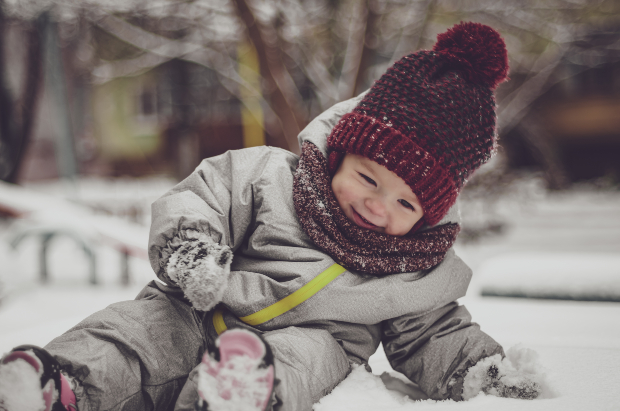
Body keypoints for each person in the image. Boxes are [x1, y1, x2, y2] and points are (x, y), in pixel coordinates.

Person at [0, 22, 541, 411]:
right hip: (195, 309)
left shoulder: (412, 270)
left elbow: (433, 334)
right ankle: (54, 385)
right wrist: (193, 246)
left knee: (306, 357)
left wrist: (479, 371)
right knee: (132, 331)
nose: (378, 207)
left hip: (315, 342)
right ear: (339, 153)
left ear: (429, 216)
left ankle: (239, 393)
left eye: (406, 203)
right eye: (368, 179)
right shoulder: (269, 178)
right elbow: (203, 195)